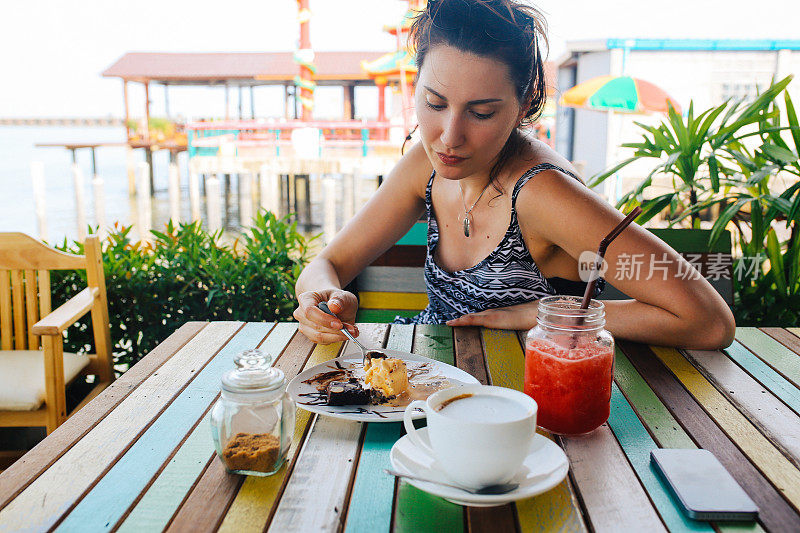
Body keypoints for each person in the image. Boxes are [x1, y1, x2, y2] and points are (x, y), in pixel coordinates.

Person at [293, 0, 735, 350]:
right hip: (428, 388)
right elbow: (326, 263)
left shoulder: (541, 192)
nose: (450, 136)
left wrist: (539, 313)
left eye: (481, 112)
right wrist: (323, 298)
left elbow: (708, 321)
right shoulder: (424, 167)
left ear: (523, 108)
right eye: (433, 103)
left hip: (526, 402)